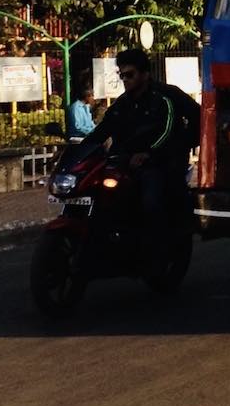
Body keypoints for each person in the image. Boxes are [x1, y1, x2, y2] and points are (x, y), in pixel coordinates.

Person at [81, 49, 200, 272]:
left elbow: (167, 130)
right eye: (122, 75)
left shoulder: (165, 98)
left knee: (150, 201)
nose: (125, 80)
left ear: (145, 74)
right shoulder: (122, 104)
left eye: (130, 74)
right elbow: (102, 130)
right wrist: (78, 150)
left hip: (160, 162)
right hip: (124, 162)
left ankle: (154, 251)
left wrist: (151, 153)